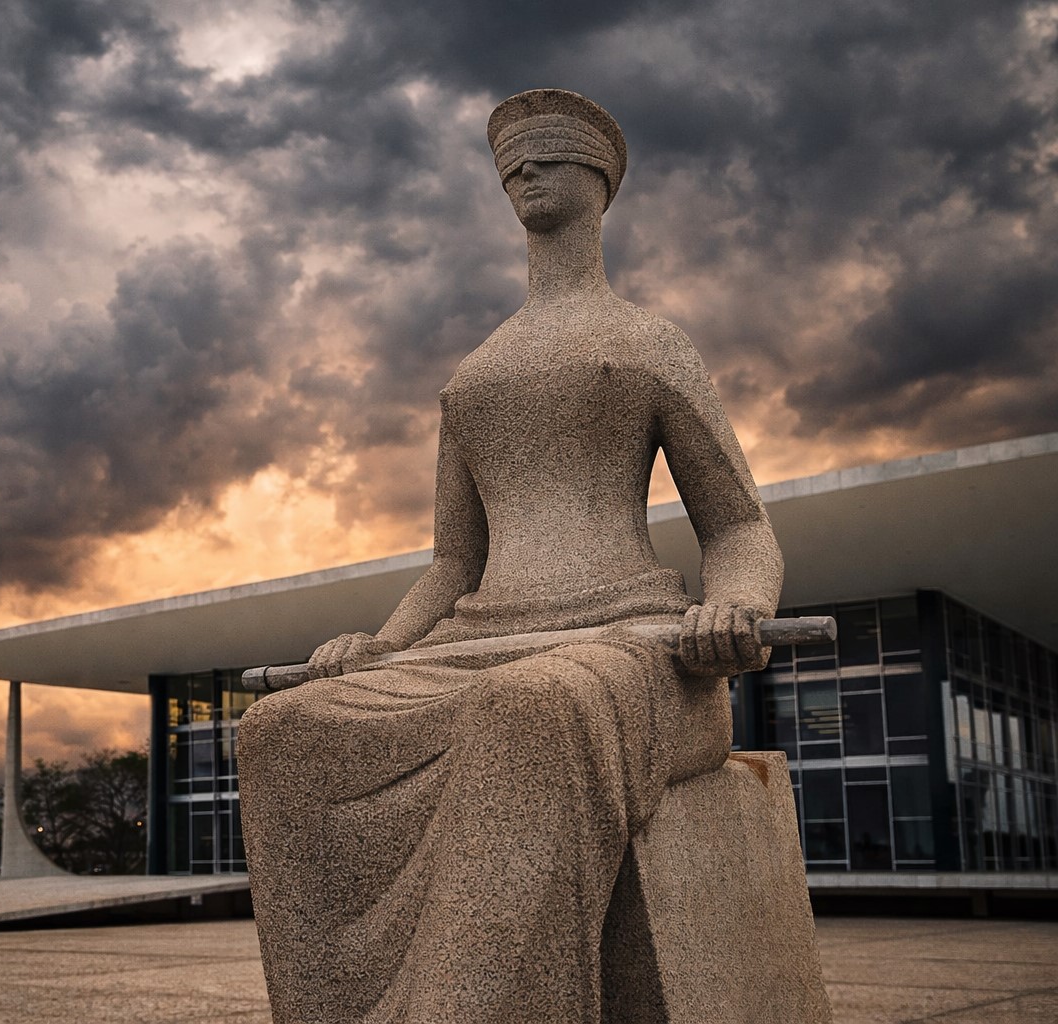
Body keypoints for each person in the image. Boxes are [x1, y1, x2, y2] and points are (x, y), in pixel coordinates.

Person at [236, 89, 783, 1024]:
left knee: (531, 706)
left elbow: (738, 526)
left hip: (629, 644)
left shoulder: (649, 344)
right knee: (282, 730)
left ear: (600, 180)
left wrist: (738, 611)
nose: (525, 173)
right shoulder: (477, 374)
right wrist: (381, 643)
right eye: (511, 164)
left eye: (549, 158)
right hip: (477, 638)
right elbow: (453, 566)